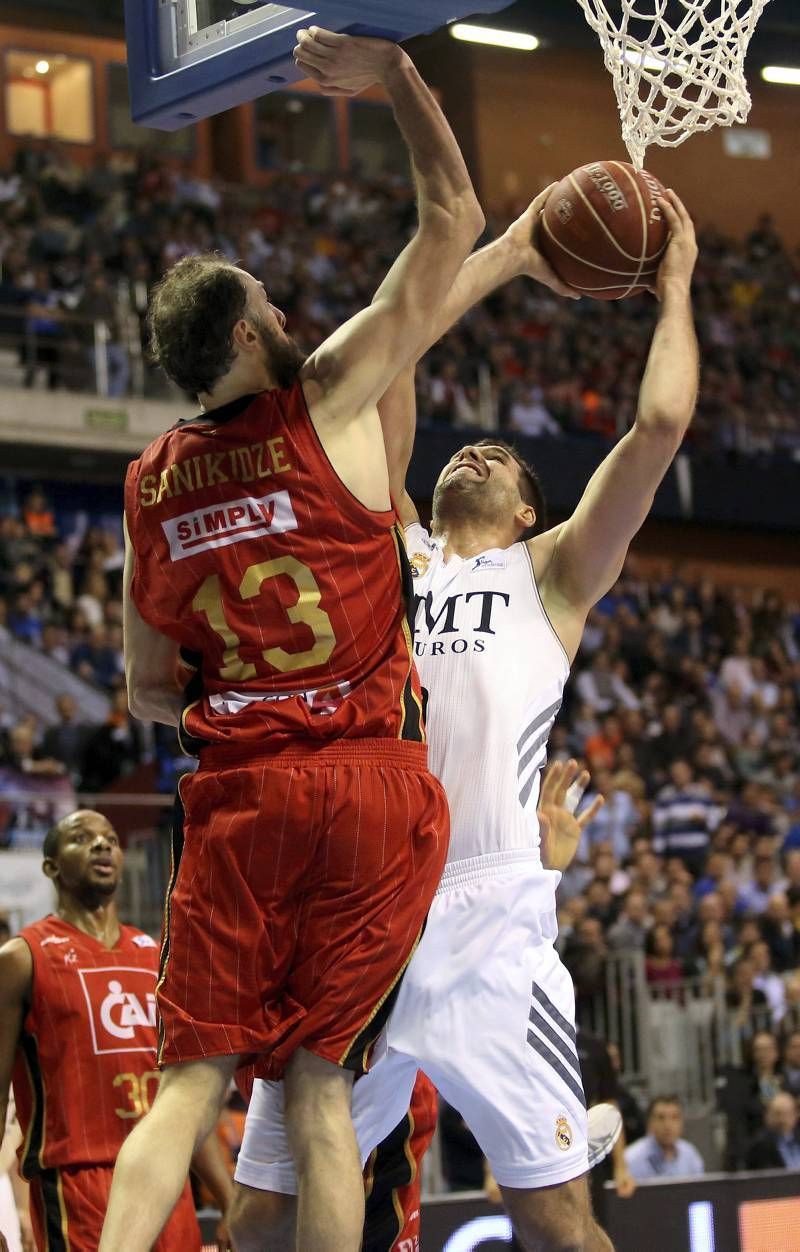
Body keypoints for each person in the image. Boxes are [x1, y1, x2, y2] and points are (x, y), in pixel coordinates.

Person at [228, 185, 699, 1251]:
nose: (474, 451)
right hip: (356, 899)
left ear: (532, 510)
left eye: (501, 459)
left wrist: (670, 287)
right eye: (462, 450)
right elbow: (388, 350)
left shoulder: (555, 575)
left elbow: (660, 422)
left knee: (554, 1222)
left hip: (485, 912)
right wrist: (507, 252)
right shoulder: (390, 546)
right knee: (259, 1215)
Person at [102, 27, 486, 1252]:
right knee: (324, 1089)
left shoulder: (150, 483)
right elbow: (451, 219)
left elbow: (148, 687)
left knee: (191, 1086)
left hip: (246, 791)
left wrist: (249, 687)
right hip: (368, 786)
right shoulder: (326, 392)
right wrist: (397, 82)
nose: (284, 308)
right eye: (269, 303)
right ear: (248, 337)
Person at [0, 809, 232, 1251]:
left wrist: (226, 1196)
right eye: (82, 838)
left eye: (110, 837)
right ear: (51, 866)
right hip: (76, 1188)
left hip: (165, 1177)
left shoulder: (156, 958)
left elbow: (183, 1094)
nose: (102, 845)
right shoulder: (21, 958)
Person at [624, 1097, 705, 1180]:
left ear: (682, 1123)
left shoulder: (690, 1155)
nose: (667, 1125)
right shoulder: (631, 1159)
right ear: (649, 1123)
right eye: (661, 1118)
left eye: (674, 1117)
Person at [745, 1092, 800, 1170]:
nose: (782, 1119)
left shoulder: (797, 1138)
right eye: (778, 1114)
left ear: (795, 1115)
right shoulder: (760, 1145)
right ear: (767, 1116)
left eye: (787, 1114)